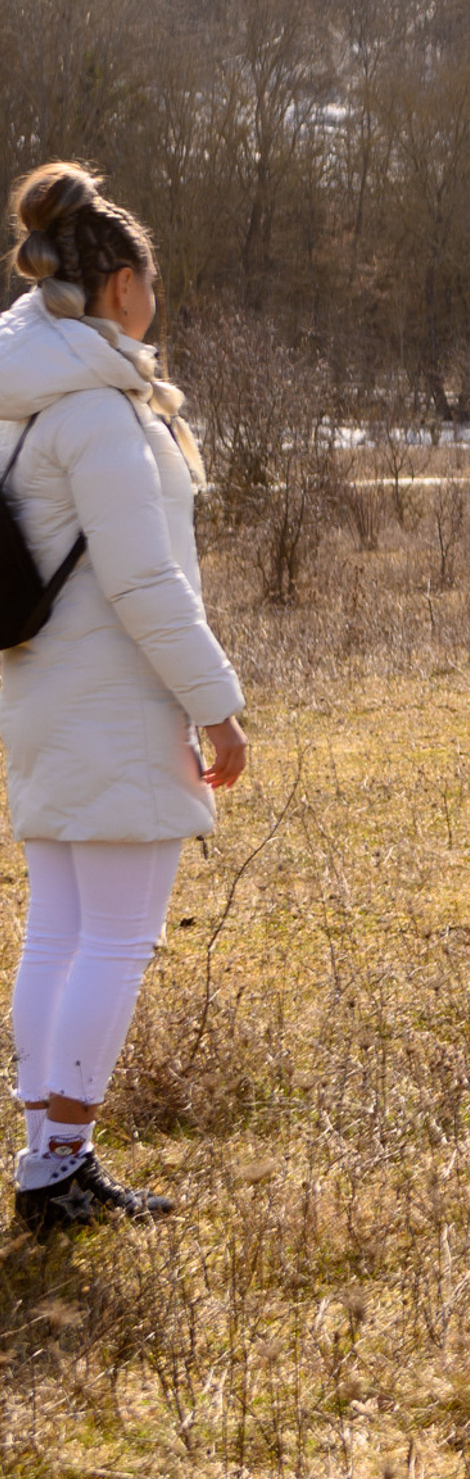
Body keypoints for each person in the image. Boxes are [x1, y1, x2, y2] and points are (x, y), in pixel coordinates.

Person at [0, 163, 247, 1233]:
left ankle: (45, 1155)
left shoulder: (23, 394)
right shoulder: (99, 413)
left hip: (40, 692)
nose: (156, 294)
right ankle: (60, 1161)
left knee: (56, 928)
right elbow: (148, 585)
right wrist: (217, 705)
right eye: (148, 278)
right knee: (112, 939)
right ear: (119, 289)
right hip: (113, 697)